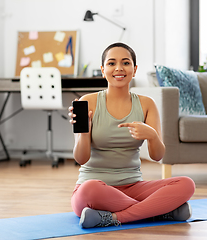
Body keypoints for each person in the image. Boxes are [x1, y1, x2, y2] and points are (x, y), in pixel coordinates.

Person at [68, 42, 195, 228]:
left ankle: (112, 218)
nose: (119, 68)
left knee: (186, 184)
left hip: (133, 188)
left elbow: (157, 155)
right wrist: (85, 132)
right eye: (111, 63)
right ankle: (160, 212)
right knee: (89, 189)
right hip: (94, 190)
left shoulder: (146, 104)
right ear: (103, 70)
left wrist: (152, 136)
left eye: (125, 63)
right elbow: (81, 158)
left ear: (134, 70)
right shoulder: (86, 102)